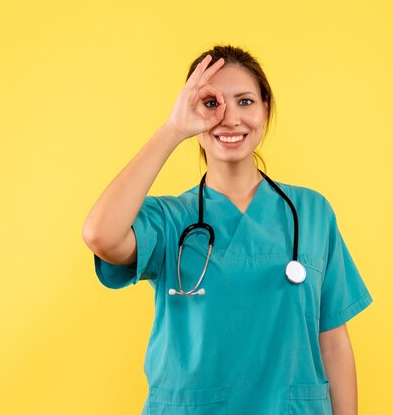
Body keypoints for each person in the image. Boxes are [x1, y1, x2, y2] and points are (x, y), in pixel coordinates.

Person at [82, 45, 373, 415]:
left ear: (266, 109)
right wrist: (172, 131)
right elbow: (100, 235)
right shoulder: (169, 220)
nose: (230, 118)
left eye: (246, 102)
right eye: (210, 104)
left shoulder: (312, 212)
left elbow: (332, 342)